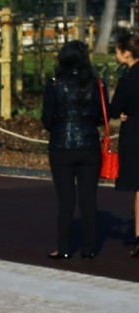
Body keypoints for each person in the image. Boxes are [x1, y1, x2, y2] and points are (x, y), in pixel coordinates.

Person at [41, 40, 106, 260]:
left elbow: (47, 118)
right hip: (89, 144)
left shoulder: (55, 84)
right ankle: (89, 247)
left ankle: (64, 247)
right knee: (89, 199)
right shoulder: (96, 84)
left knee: (65, 200)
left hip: (62, 145)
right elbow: (102, 116)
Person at [111, 32, 139, 257]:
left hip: (135, 134)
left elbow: (114, 109)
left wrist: (121, 113)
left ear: (127, 53)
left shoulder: (128, 80)